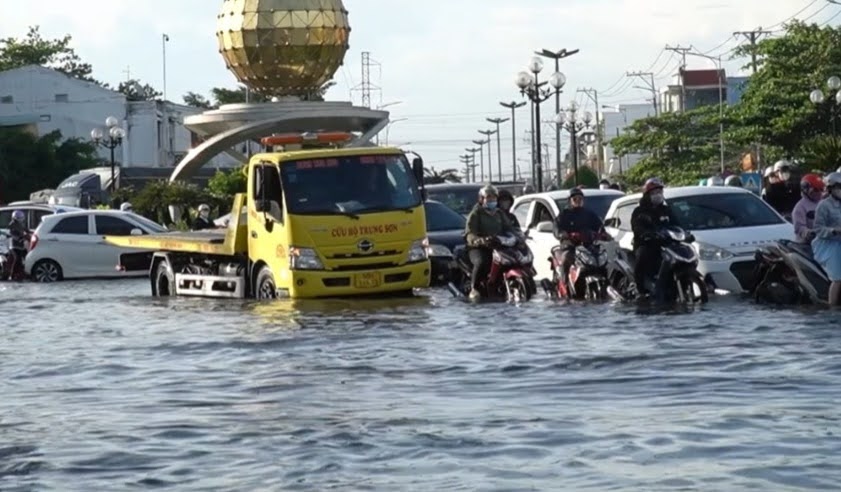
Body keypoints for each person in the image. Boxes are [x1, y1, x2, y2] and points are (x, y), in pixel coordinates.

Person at [464, 185, 513, 300]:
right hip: (478, 247)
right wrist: (479, 240)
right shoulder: (476, 213)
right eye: (488, 198)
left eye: (494, 198)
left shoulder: (499, 213)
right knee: (482, 262)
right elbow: (469, 233)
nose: (492, 201)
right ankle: (474, 288)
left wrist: (518, 236)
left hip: (497, 245)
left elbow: (509, 228)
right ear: (482, 199)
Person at [630, 178, 677, 297]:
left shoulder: (666, 210)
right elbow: (637, 227)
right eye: (654, 193)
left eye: (659, 192)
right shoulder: (639, 211)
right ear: (647, 195)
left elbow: (677, 224)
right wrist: (647, 234)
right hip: (646, 244)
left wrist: (685, 234)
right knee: (642, 255)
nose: (658, 195)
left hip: (666, 244)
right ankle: (640, 288)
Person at [552, 188, 605, 288]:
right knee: (566, 257)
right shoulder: (564, 215)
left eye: (580, 199)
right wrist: (562, 234)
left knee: (602, 258)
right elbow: (556, 227)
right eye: (575, 199)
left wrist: (604, 234)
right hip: (570, 246)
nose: (578, 201)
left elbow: (600, 227)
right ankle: (565, 284)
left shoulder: (590, 214)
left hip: (588, 247)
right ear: (570, 201)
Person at [811, 172, 841, 306]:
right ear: (830, 189)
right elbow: (817, 228)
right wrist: (833, 231)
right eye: (838, 187)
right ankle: (832, 308)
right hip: (828, 244)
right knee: (838, 278)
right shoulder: (823, 205)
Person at [792, 173, 825, 243]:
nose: (819, 192)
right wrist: (809, 233)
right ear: (805, 189)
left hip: (826, 241)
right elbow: (799, 228)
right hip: (807, 245)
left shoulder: (825, 203)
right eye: (815, 190)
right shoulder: (800, 207)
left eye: (821, 189)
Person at [8, 210, 30, 278]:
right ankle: (12, 274)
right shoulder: (12, 224)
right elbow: (12, 234)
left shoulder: (21, 223)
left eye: (21, 218)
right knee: (17, 259)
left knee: (26, 257)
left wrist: (29, 233)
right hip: (14, 246)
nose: (21, 220)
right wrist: (20, 238)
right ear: (15, 218)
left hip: (21, 245)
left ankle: (23, 272)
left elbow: (25, 230)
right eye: (19, 218)